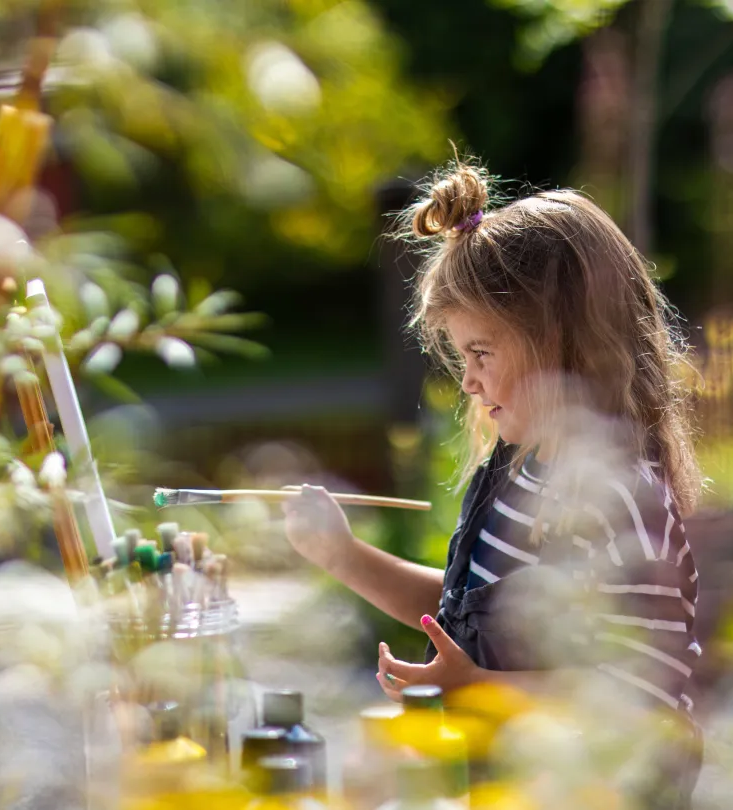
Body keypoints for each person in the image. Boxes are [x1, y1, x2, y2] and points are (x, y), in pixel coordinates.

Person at [283, 161, 704, 807]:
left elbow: (641, 696)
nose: (469, 382)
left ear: (566, 343)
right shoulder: (516, 474)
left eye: (482, 354)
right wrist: (340, 554)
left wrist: (476, 686)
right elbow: (461, 606)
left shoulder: (621, 498)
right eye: (461, 357)